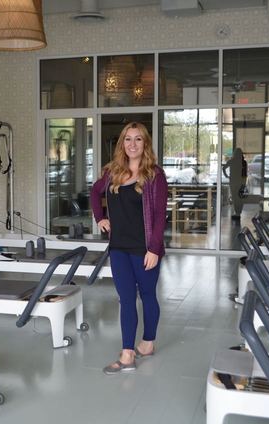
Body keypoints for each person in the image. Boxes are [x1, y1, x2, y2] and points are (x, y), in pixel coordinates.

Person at [90, 122, 168, 375]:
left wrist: (154, 249)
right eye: (127, 139)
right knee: (126, 299)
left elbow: (160, 216)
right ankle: (127, 353)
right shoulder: (112, 172)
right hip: (118, 247)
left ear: (145, 144)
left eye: (138, 139)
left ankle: (148, 342)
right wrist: (100, 218)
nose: (132, 144)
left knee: (147, 295)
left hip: (144, 248)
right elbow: (94, 192)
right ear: (122, 143)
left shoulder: (155, 175)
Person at [222, 147, 247, 217]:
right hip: (241, 181)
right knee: (240, 197)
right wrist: (244, 183)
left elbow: (224, 168)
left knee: (234, 197)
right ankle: (239, 212)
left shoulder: (232, 161)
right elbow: (245, 174)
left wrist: (227, 176)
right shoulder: (244, 162)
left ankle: (237, 212)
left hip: (233, 181)